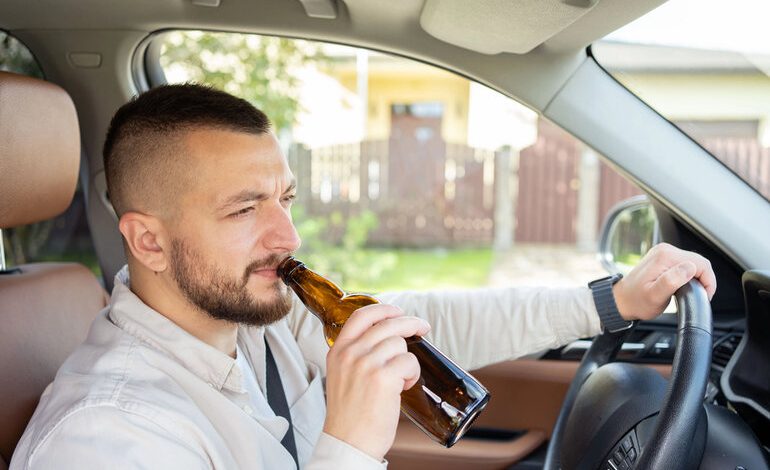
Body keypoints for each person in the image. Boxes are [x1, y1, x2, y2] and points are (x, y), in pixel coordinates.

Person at [11, 84, 716, 470]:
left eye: (283, 199)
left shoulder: (254, 314)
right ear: (149, 242)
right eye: (242, 209)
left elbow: (414, 324)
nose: (286, 237)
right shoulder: (108, 438)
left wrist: (613, 301)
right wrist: (349, 444)